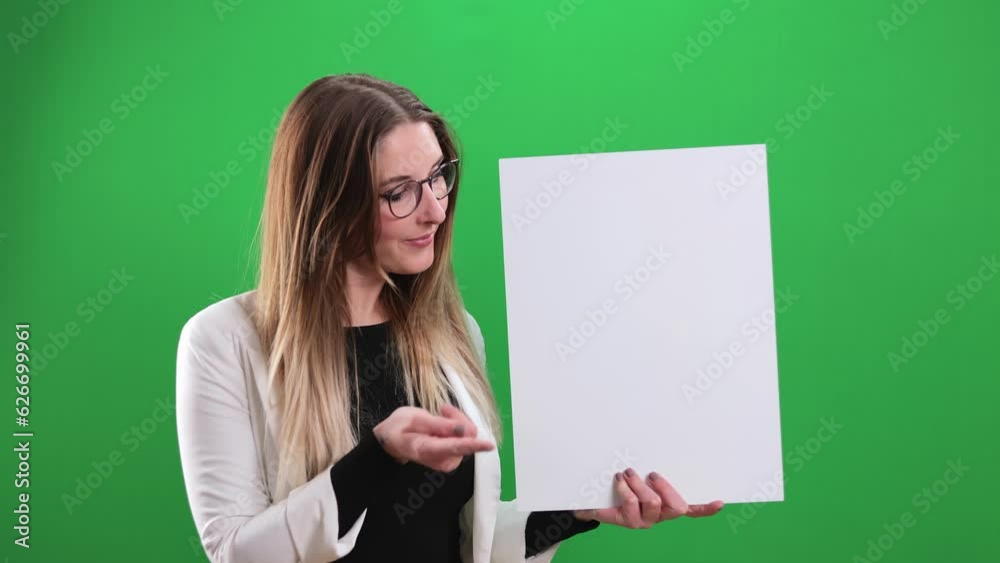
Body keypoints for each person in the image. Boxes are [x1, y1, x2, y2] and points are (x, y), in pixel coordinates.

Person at [175, 73, 724, 563]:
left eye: (439, 176)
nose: (436, 209)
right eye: (399, 193)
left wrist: (575, 511)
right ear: (327, 204)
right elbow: (237, 553)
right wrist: (380, 454)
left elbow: (466, 538)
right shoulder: (224, 341)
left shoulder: (452, 332)